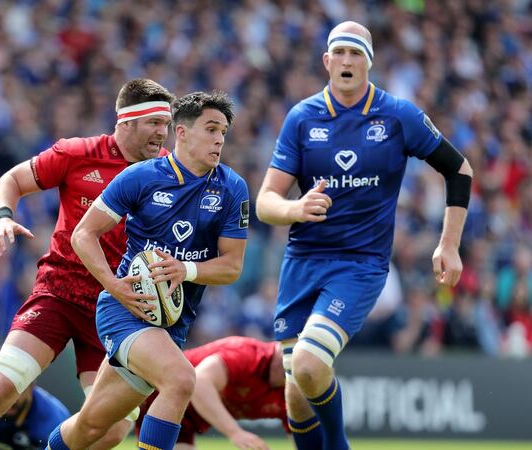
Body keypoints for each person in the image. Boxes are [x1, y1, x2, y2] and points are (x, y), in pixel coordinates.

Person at [255, 21, 472, 450]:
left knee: (312, 365)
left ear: (369, 63)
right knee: (296, 393)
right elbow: (265, 201)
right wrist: (295, 208)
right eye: (340, 53)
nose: (347, 61)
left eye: (357, 54)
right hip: (301, 263)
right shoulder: (302, 118)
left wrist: (449, 243)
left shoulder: (399, 115)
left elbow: (458, 169)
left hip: (359, 265)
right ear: (327, 61)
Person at [0, 78, 175, 450]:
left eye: (166, 125)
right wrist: (3, 216)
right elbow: (12, 180)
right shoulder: (77, 154)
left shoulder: (170, 172)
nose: (162, 133)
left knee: (113, 429)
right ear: (126, 121)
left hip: (118, 309)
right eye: (154, 123)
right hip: (59, 293)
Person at [47, 91, 249, 450]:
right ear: (182, 133)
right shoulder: (141, 177)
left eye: (224, 131)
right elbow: (84, 234)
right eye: (211, 128)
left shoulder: (232, 188)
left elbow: (231, 267)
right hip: (126, 308)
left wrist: (184, 269)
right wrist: (113, 285)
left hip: (171, 323)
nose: (219, 138)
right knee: (181, 379)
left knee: (93, 427)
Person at [137, 336, 322, 450]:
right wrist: (235, 433)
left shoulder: (293, 392)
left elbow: (304, 440)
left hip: (185, 424)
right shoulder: (247, 354)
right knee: (112, 434)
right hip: (149, 392)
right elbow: (200, 383)